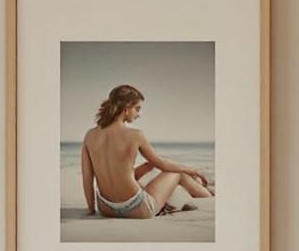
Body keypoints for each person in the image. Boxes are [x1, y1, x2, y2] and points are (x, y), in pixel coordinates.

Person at [80, 83, 214, 221]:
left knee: (149, 166)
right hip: (138, 209)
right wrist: (193, 170)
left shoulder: (89, 135)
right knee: (177, 173)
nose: (139, 114)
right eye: (137, 108)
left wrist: (91, 209)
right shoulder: (135, 134)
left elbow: (87, 178)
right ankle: (208, 197)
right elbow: (163, 165)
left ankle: (195, 192)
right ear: (126, 108)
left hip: (106, 208)